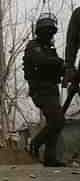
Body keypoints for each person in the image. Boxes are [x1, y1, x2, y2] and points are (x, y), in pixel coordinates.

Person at [24, 13, 66, 167]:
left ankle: (50, 158)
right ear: (40, 32)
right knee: (57, 121)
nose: (49, 35)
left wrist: (68, 70)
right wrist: (61, 63)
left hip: (52, 89)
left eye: (51, 32)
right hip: (40, 90)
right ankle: (35, 143)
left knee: (55, 122)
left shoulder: (50, 49)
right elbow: (40, 61)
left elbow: (58, 68)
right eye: (46, 32)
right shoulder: (33, 46)